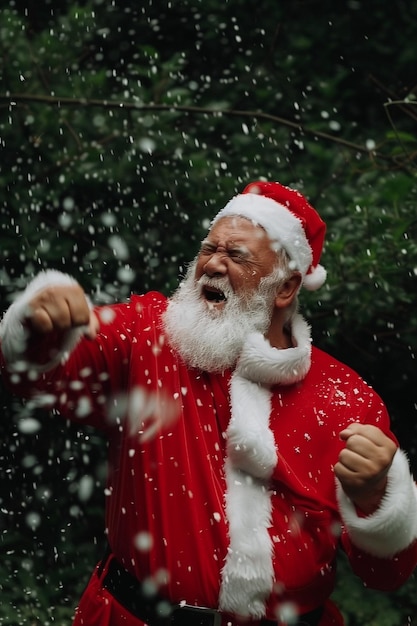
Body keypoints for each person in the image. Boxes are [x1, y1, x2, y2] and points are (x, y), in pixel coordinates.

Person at [1, 181, 417, 626]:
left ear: (286, 287)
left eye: (236, 256)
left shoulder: (345, 398)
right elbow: (31, 375)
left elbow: (386, 574)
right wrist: (38, 325)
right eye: (208, 248)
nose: (212, 264)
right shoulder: (148, 336)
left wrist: (376, 496)